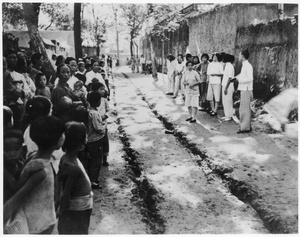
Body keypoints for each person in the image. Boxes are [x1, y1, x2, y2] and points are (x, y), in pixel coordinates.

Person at [4, 116, 66, 234]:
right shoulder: (41, 171)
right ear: (59, 140)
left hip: (42, 220)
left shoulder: (33, 157)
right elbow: (16, 197)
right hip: (39, 225)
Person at [57, 122, 93, 234]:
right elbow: (66, 194)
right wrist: (59, 212)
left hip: (79, 205)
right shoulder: (72, 165)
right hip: (78, 208)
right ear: (81, 144)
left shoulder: (67, 158)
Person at [86, 91, 106, 189]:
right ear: (97, 102)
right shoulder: (94, 113)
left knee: (91, 161)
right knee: (96, 161)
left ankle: (92, 178)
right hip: (95, 140)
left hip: (90, 139)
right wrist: (104, 127)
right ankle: (93, 180)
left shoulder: (89, 111)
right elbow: (98, 128)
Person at [233, 49, 253, 133]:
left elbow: (250, 78)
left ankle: (245, 128)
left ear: (243, 56)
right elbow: (242, 75)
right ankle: (247, 126)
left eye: (239, 55)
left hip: (246, 89)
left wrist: (239, 80)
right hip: (244, 89)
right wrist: (236, 78)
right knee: (244, 108)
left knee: (244, 109)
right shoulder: (245, 65)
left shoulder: (247, 65)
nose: (238, 56)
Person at [92, 82, 110, 166]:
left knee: (105, 141)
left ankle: (105, 159)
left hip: (103, 122)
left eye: (103, 89)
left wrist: (105, 116)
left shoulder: (104, 100)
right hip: (95, 121)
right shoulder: (92, 99)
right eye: (101, 89)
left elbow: (108, 110)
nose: (103, 91)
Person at [222, 54, 235, 121]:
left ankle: (229, 116)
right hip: (225, 85)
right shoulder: (227, 66)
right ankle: (226, 114)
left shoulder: (230, 66)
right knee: (225, 101)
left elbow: (230, 78)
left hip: (228, 86)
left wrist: (226, 88)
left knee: (228, 101)